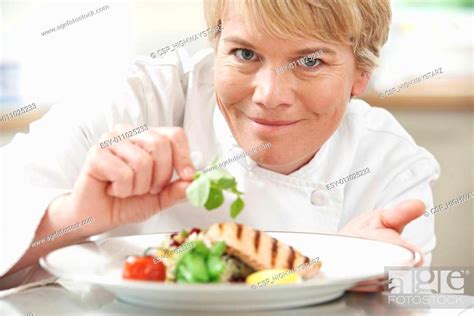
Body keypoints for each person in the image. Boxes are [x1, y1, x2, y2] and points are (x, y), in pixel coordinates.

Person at [0, 0, 439, 291]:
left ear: (361, 75)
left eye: (309, 61)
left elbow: (433, 298)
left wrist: (360, 273)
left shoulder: (388, 160)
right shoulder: (131, 103)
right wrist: (76, 216)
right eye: (245, 54)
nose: (269, 94)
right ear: (216, 47)